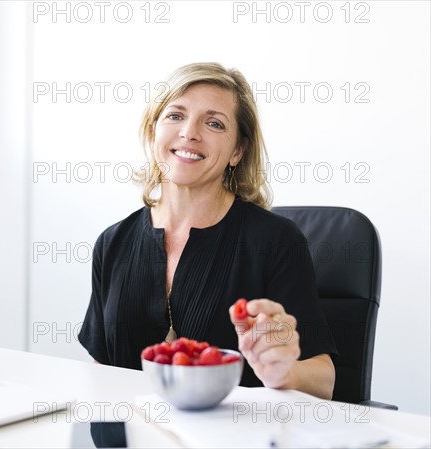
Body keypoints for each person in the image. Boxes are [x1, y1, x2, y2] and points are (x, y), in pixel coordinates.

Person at [79, 63, 337, 399]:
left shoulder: (276, 242)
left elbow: (326, 382)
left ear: (237, 151)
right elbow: (101, 371)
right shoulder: (112, 242)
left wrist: (284, 373)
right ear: (153, 130)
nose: (189, 132)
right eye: (175, 115)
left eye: (214, 123)